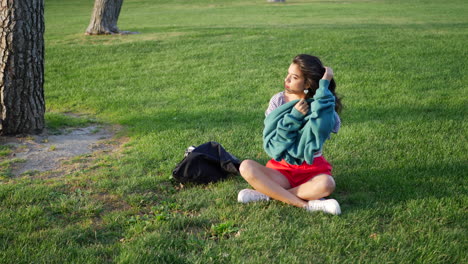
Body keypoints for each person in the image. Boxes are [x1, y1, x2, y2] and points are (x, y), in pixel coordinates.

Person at [237, 54, 343, 215]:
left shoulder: (322, 105)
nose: (287, 80)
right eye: (288, 75)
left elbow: (322, 127)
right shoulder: (278, 101)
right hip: (281, 169)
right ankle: (308, 205)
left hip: (312, 170)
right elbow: (274, 142)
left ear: (308, 83)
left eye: (294, 77)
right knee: (246, 166)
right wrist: (294, 117)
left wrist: (324, 83)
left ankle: (268, 194)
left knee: (328, 184)